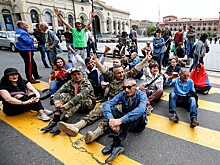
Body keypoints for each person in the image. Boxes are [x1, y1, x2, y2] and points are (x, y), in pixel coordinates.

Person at [56, 52, 152, 143]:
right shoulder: (110, 77)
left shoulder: (127, 76)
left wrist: (145, 60)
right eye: (119, 73)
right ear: (114, 74)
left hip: (122, 104)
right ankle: (76, 126)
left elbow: (136, 68)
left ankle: (95, 134)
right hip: (110, 101)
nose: (122, 74)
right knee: (94, 113)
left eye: (122, 72)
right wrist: (96, 62)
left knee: (110, 119)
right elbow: (103, 69)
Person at [102, 79, 147, 163]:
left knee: (136, 114)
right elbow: (107, 104)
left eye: (129, 87)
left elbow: (141, 109)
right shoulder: (123, 94)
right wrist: (111, 119)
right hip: (126, 121)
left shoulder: (142, 95)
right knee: (112, 111)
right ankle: (116, 143)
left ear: (135, 87)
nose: (126, 90)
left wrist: (120, 120)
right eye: (124, 87)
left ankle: (116, 143)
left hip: (138, 125)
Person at [41, 67, 96, 135]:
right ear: (72, 76)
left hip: (87, 104)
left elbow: (79, 97)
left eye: (78, 74)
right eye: (74, 75)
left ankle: (63, 121)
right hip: (75, 103)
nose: (77, 76)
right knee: (62, 95)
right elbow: (58, 92)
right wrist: (57, 102)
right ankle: (56, 119)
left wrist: (65, 106)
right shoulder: (70, 82)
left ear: (82, 74)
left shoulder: (86, 83)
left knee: (78, 100)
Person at [54, 8, 96, 73]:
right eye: (78, 26)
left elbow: (89, 24)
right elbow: (66, 23)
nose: (80, 27)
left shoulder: (84, 30)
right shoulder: (73, 31)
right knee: (74, 62)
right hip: (76, 49)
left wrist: (92, 17)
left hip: (84, 49)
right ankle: (74, 73)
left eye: (80, 26)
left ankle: (84, 72)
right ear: (76, 27)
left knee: (85, 63)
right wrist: (59, 16)